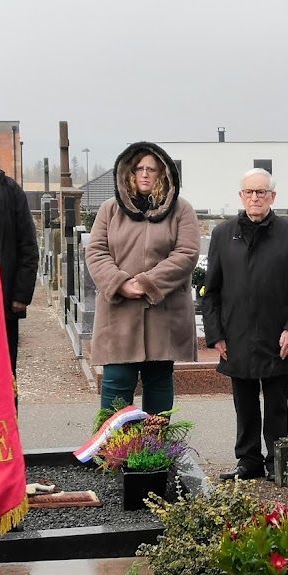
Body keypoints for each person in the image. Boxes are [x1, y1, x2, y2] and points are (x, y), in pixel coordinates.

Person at [202, 168, 288, 482]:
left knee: (277, 404)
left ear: (272, 197)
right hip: (236, 336)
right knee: (245, 403)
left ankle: (276, 462)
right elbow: (211, 291)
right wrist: (216, 335)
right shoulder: (223, 234)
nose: (255, 198)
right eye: (249, 192)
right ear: (241, 196)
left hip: (278, 336)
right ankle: (248, 461)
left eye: (261, 192)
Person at [86, 142, 199, 414]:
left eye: (152, 169)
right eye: (139, 169)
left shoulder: (181, 210)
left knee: (158, 381)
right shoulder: (109, 210)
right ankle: (115, 452)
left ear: (163, 173)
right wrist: (120, 283)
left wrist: (147, 283)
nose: (145, 174)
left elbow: (186, 253)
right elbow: (96, 251)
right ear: (129, 172)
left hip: (164, 313)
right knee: (116, 382)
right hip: (119, 312)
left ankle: (154, 450)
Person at [0, 127, 39, 385]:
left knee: (2, 375)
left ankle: (5, 425)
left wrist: (20, 295)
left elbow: (27, 245)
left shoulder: (9, 190)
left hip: (0, 300)